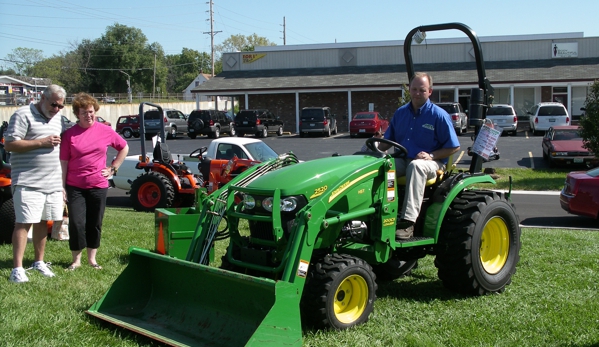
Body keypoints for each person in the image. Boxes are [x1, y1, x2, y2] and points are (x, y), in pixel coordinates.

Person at [378, 72, 460, 240]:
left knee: (416, 166)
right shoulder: (401, 113)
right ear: (409, 89)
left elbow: (454, 146)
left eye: (421, 90)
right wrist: (374, 146)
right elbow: (387, 142)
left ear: (430, 91)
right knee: (381, 166)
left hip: (432, 163)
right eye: (414, 89)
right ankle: (381, 214)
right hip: (403, 159)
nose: (417, 93)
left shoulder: (438, 115)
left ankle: (408, 222)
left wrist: (432, 155)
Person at [4, 84, 67, 283]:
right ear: (42, 98)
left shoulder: (57, 119)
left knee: (43, 221)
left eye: (60, 106)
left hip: (52, 181)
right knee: (23, 223)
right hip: (27, 180)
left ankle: (38, 262)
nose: (56, 109)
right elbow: (10, 144)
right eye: (53, 104)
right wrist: (41, 142)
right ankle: (17, 268)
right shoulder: (22, 115)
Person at [60, 93, 129, 270]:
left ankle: (92, 259)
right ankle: (76, 260)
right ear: (77, 114)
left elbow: (124, 147)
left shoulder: (105, 130)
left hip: (98, 184)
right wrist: (62, 187)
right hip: (75, 185)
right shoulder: (69, 135)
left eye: (91, 111)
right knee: (76, 223)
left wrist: (113, 168)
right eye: (84, 112)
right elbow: (64, 162)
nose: (89, 115)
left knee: (95, 222)